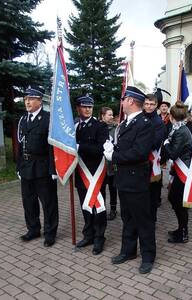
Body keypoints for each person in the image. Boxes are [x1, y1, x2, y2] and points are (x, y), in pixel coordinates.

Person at [103, 86, 156, 274]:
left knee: (143, 219)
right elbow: (125, 148)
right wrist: (112, 149)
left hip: (136, 180)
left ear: (131, 101)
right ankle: (128, 251)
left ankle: (148, 256)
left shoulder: (144, 123)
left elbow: (139, 152)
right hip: (123, 178)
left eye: (124, 99)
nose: (122, 102)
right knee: (127, 217)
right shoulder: (125, 124)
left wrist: (113, 157)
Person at [17, 86, 58, 247]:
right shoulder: (23, 120)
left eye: (31, 99)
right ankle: (33, 229)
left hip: (43, 167)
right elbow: (20, 146)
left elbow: (52, 147)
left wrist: (53, 169)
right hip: (26, 166)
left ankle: (50, 233)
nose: (27, 102)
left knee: (48, 202)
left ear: (40, 101)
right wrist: (18, 167)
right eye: (26, 99)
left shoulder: (48, 119)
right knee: (28, 201)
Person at [74, 96, 108, 255]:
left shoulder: (100, 126)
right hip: (80, 173)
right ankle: (88, 235)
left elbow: (100, 149)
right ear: (78, 108)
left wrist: (80, 146)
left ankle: (99, 238)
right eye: (84, 106)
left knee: (98, 207)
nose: (87, 109)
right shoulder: (74, 127)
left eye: (90, 107)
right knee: (85, 205)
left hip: (95, 174)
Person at [162, 102, 192, 242]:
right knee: (175, 200)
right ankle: (181, 229)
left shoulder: (180, 132)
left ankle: (183, 233)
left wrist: (166, 143)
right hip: (180, 170)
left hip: (183, 172)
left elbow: (173, 153)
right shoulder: (180, 129)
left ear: (172, 117)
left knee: (178, 202)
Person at [144, 94, 167, 221]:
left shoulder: (158, 123)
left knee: (152, 196)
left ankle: (151, 221)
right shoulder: (140, 118)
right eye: (147, 104)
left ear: (156, 105)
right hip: (139, 164)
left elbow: (154, 143)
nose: (149, 106)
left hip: (151, 164)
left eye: (152, 104)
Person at [101, 107, 118, 220]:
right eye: (109, 115)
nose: (111, 117)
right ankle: (102, 209)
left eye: (112, 115)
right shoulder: (98, 128)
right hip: (101, 165)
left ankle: (113, 209)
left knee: (112, 188)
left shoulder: (116, 129)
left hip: (112, 164)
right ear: (102, 116)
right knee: (101, 188)